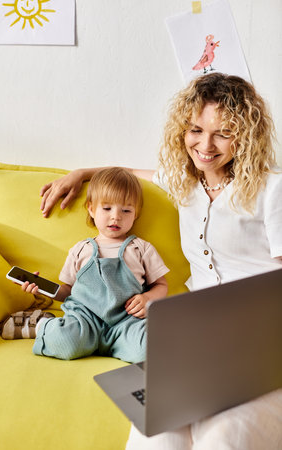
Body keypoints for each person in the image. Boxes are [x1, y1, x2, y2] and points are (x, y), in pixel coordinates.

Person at [39, 73, 282, 448]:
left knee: (221, 437)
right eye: (195, 130)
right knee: (157, 435)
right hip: (197, 342)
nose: (205, 145)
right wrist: (81, 173)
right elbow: (130, 174)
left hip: (261, 344)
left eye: (223, 132)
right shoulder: (184, 181)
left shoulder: (272, 189)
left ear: (246, 134)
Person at [2, 167, 169, 364]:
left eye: (126, 210)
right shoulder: (81, 250)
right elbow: (67, 292)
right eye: (107, 209)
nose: (116, 217)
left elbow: (161, 285)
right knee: (65, 341)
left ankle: (118, 345)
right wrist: (41, 289)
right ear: (91, 209)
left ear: (136, 214)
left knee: (150, 349)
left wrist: (147, 297)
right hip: (85, 321)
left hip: (126, 323)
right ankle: (41, 325)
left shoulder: (141, 248)